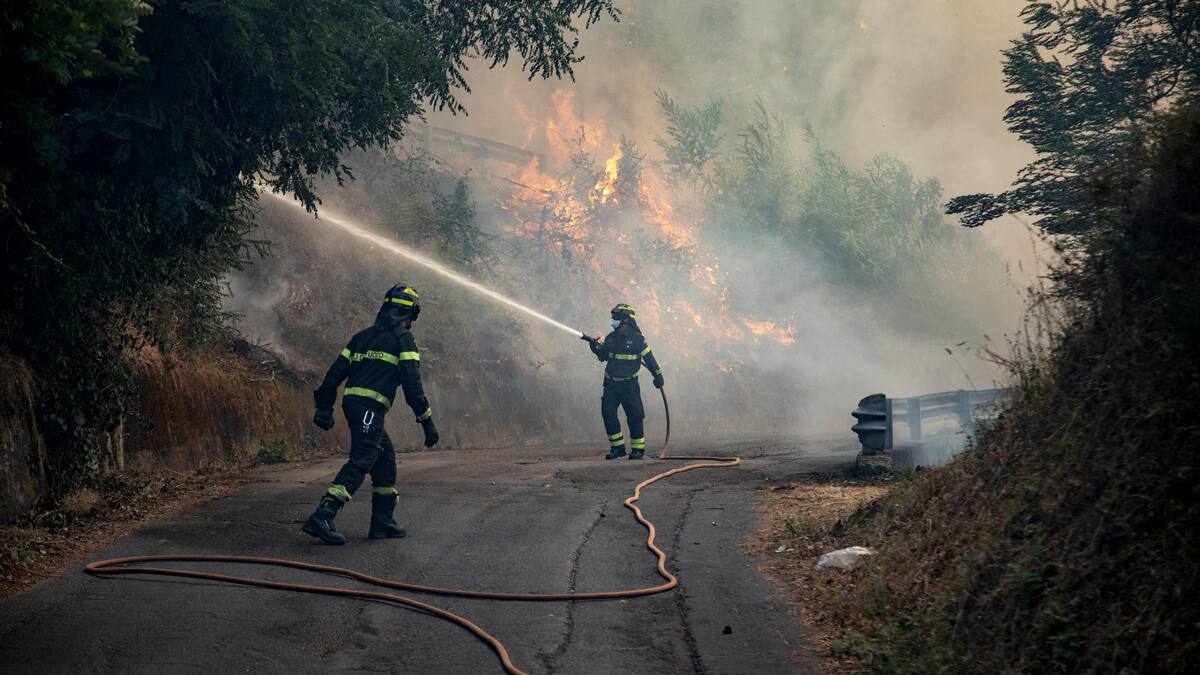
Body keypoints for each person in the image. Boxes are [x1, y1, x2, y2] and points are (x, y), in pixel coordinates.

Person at [302, 283, 439, 545]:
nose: (411, 323)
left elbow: (334, 373)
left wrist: (324, 406)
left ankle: (382, 522)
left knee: (384, 458)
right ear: (405, 313)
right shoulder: (403, 340)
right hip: (369, 410)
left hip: (356, 406)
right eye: (412, 316)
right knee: (363, 457)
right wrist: (427, 422)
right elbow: (412, 386)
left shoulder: (361, 337)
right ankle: (324, 512)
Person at [585, 303, 664, 460]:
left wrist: (658, 376)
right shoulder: (611, 338)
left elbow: (650, 359)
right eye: (613, 317)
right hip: (611, 384)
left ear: (626, 320)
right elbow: (604, 356)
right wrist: (595, 348)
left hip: (629, 385)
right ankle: (618, 448)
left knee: (635, 416)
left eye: (616, 317)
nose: (613, 320)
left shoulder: (638, 340)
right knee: (608, 413)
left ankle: (638, 450)